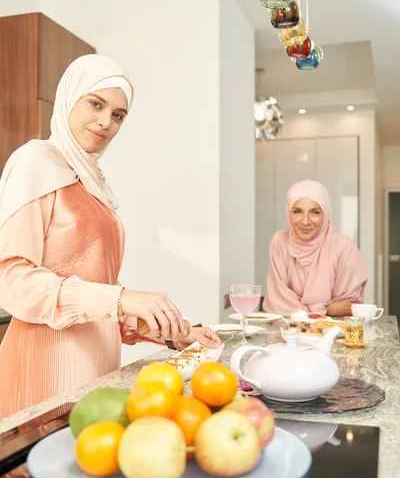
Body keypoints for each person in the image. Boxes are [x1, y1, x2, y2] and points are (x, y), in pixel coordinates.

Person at [0, 54, 221, 419]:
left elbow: (100, 296)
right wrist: (120, 297)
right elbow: (11, 279)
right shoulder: (36, 161)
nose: (106, 122)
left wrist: (170, 333)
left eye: (118, 115)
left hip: (96, 373)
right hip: (45, 372)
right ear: (70, 97)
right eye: (96, 104)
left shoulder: (93, 182)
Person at [263, 179, 367, 316]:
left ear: (326, 214)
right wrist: (326, 310)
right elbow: (279, 301)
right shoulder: (280, 242)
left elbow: (346, 306)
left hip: (334, 333)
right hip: (287, 331)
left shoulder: (344, 248)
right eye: (297, 211)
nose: (305, 222)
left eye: (315, 212)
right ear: (288, 213)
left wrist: (303, 311)